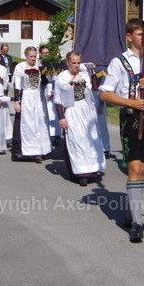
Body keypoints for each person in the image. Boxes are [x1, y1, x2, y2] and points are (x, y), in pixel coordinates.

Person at [99, 19, 144, 243]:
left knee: (143, 168)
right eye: (140, 34)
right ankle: (137, 223)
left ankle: (132, 215)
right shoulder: (118, 62)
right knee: (135, 167)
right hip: (130, 117)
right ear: (130, 36)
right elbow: (105, 94)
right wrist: (130, 103)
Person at [54, 51, 105, 186]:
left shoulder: (84, 75)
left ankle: (91, 170)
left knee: (90, 139)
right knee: (76, 140)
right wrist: (61, 118)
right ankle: (79, 172)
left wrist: (92, 71)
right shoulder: (62, 78)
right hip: (72, 109)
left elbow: (94, 88)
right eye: (73, 63)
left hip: (86, 110)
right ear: (68, 63)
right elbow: (58, 100)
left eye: (78, 63)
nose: (76, 66)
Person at [12, 46, 51, 162]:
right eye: (31, 56)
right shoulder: (20, 67)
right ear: (26, 56)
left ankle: (40, 150)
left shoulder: (38, 66)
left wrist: (43, 71)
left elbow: (44, 82)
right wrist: (17, 101)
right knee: (29, 124)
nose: (33, 59)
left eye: (35, 56)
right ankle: (29, 151)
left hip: (38, 96)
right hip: (27, 96)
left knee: (40, 122)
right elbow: (17, 85)